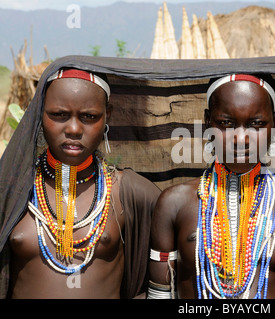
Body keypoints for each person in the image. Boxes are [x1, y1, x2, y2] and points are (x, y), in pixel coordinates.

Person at [148, 73, 275, 299]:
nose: (241, 138)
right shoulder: (174, 202)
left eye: (256, 124)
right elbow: (159, 294)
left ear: (274, 123)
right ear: (208, 122)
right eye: (226, 123)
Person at [0, 68, 161, 298]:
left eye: (89, 117)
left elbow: (167, 278)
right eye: (58, 114)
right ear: (39, 114)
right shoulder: (12, 189)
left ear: (108, 115)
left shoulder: (128, 192)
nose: (74, 129)